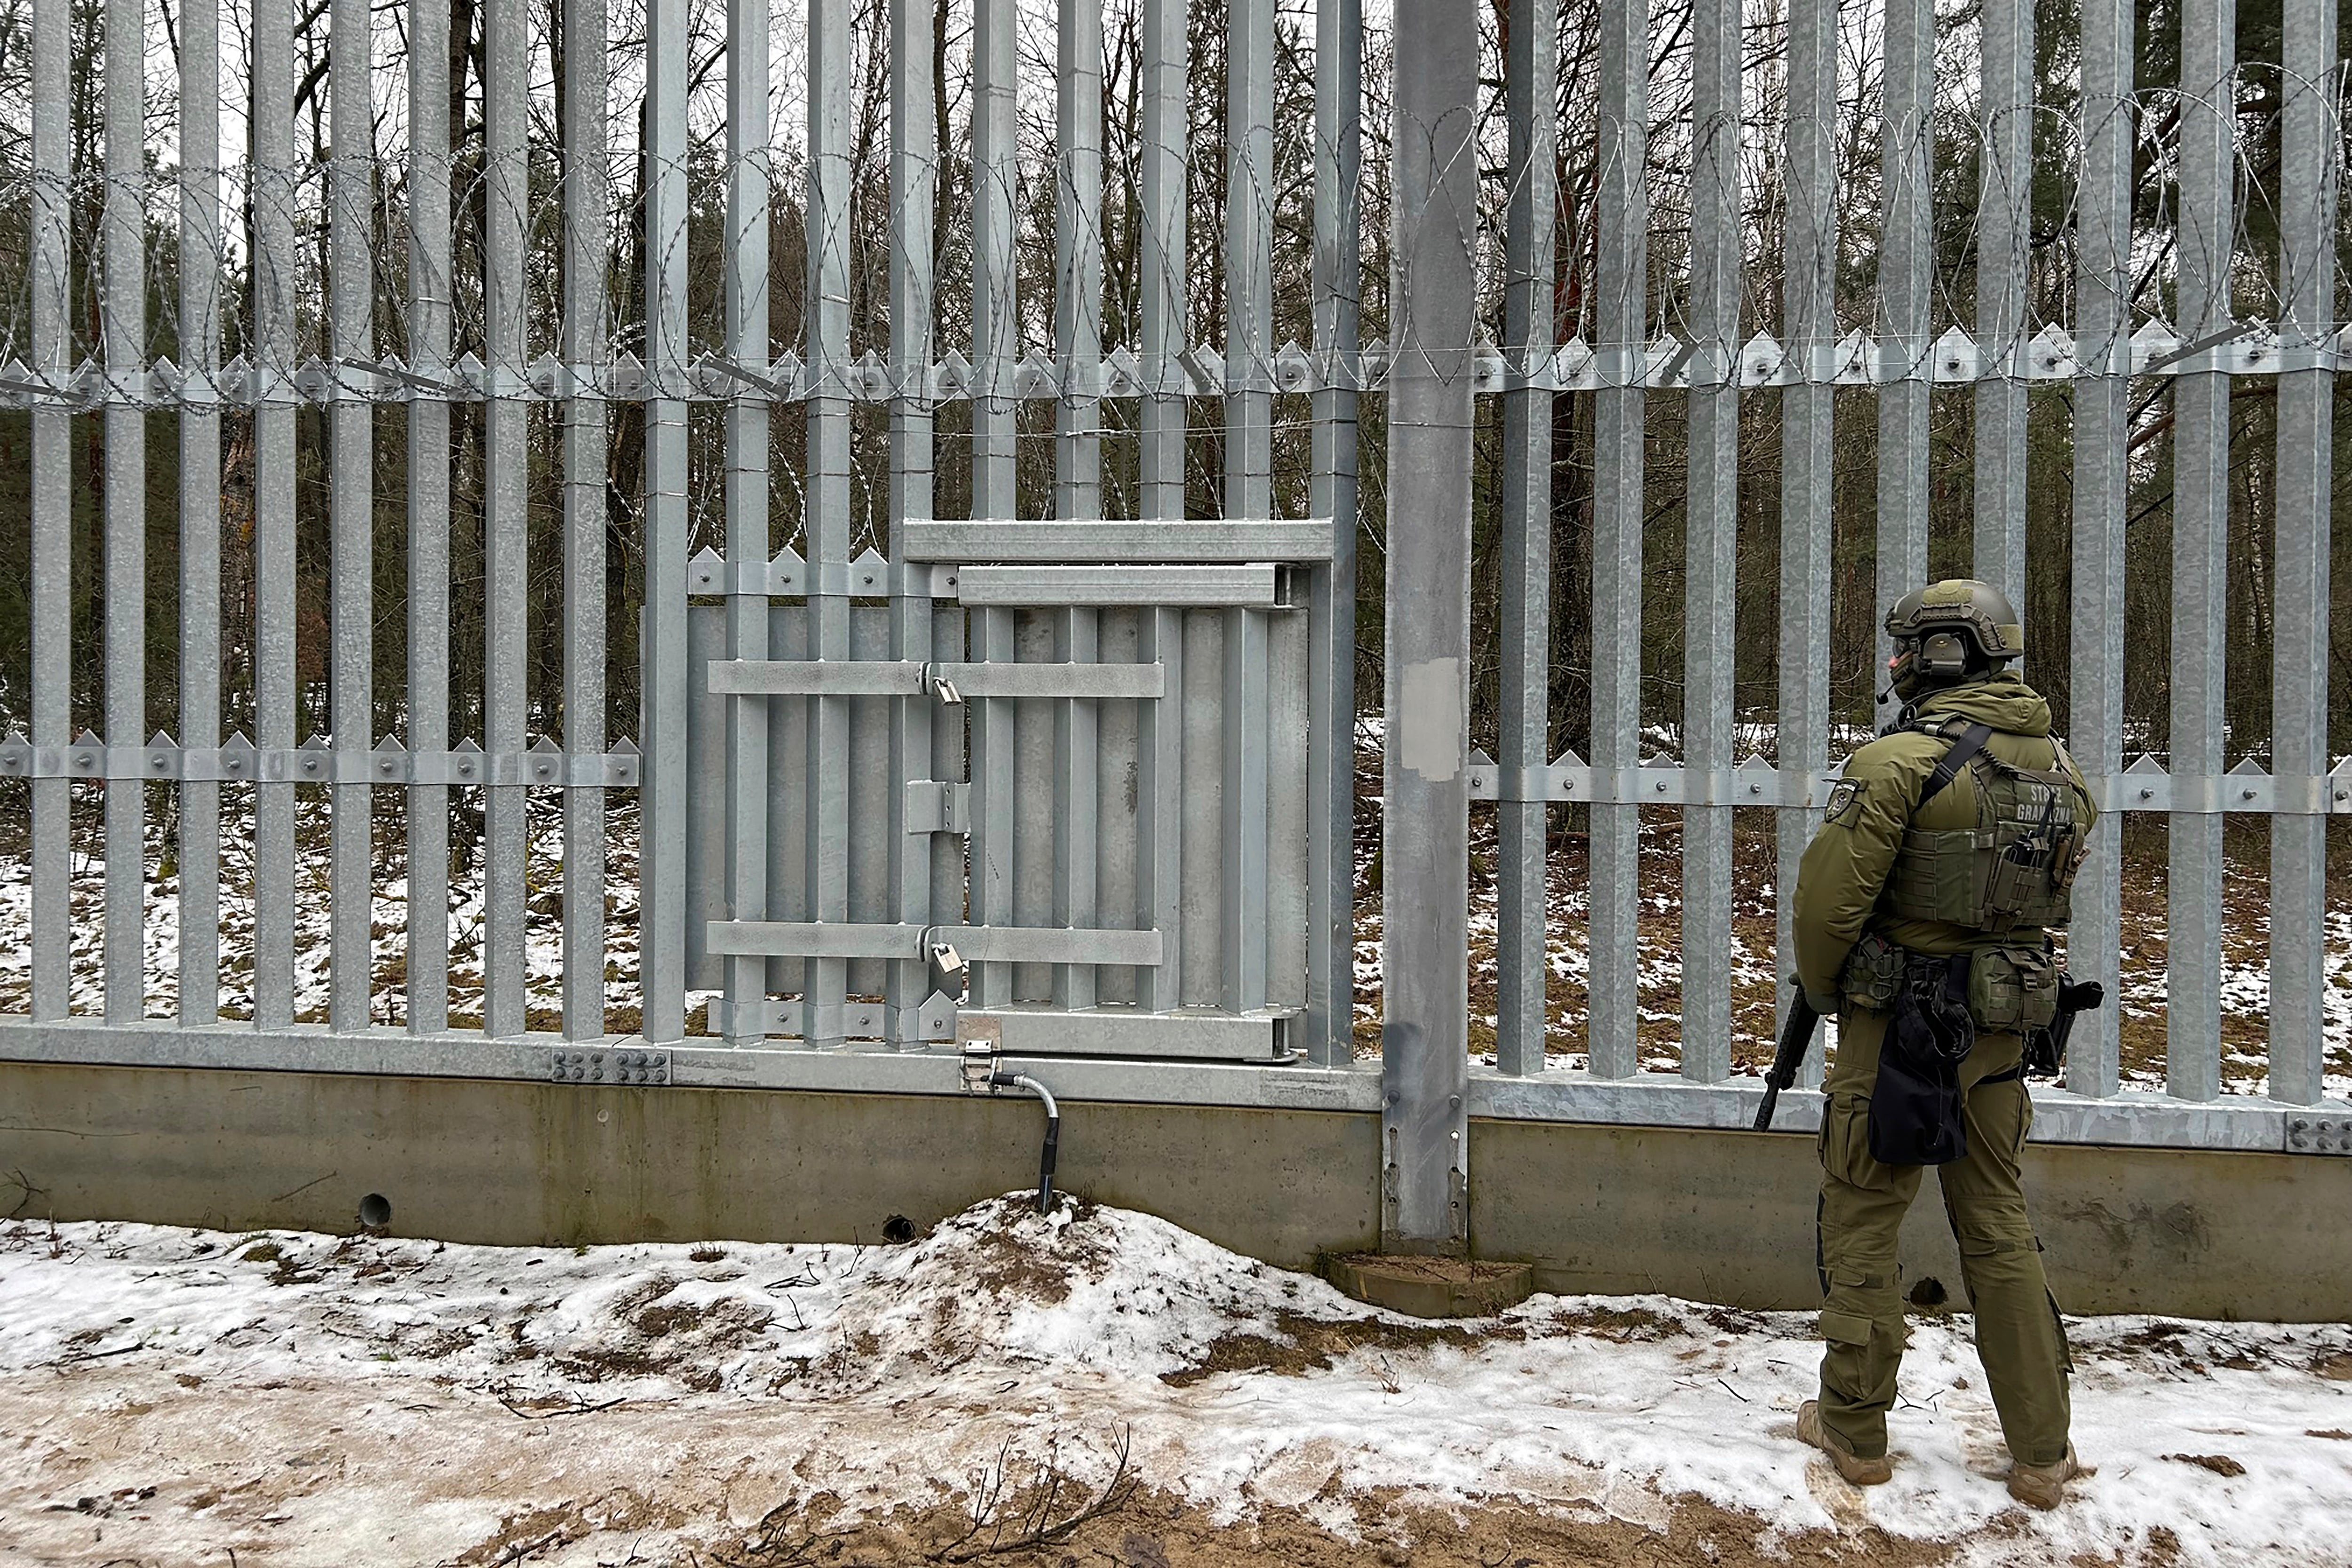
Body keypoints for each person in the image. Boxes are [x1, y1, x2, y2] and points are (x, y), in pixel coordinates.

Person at [1788, 579, 2098, 1510]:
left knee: (1862, 1211)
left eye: (1903, 649)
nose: (1892, 665)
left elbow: (1824, 910)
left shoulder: (1894, 765)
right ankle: (2042, 1450)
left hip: (1895, 1031)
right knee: (1999, 1222)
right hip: (2001, 1030)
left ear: (1939, 654)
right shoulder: (2063, 772)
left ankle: (1852, 1430)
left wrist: (1828, 992)